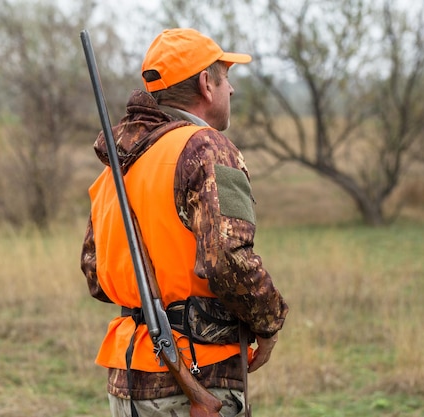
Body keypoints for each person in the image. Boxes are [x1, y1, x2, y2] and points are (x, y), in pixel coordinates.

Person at [80, 28, 289, 417]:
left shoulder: (120, 166)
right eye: (226, 78)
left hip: (128, 382)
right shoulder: (204, 146)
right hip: (197, 374)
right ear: (206, 84)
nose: (232, 91)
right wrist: (269, 322)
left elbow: (95, 273)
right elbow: (228, 259)